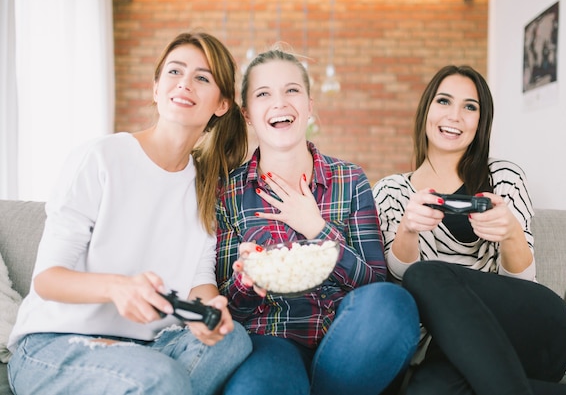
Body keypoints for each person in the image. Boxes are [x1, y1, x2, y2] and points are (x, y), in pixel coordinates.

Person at [7, 32, 252, 395]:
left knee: (232, 341)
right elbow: (47, 279)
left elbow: (199, 278)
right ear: (156, 89)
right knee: (162, 378)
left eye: (202, 78)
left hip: (144, 347)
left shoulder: (204, 185)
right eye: (174, 71)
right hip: (54, 344)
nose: (184, 83)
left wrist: (207, 313)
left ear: (221, 105)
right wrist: (117, 287)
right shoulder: (101, 157)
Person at [372, 64, 566, 395]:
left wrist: (511, 233)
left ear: (481, 122)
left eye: (470, 107)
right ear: (426, 112)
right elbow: (398, 278)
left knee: (426, 275)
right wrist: (407, 229)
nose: (455, 116)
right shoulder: (391, 191)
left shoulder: (503, 177)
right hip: (444, 350)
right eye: (444, 102)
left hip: (527, 331)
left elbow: (521, 283)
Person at [214, 48, 420, 395]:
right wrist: (246, 279)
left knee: (393, 303)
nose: (279, 102)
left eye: (291, 90)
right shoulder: (229, 192)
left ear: (309, 104)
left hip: (348, 340)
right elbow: (228, 308)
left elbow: (373, 282)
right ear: (247, 114)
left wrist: (317, 228)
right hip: (272, 340)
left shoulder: (349, 178)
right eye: (264, 94)